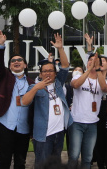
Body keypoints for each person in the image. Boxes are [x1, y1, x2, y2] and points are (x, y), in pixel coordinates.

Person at [22, 33, 72, 167]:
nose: (48, 73)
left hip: (59, 133)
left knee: (55, 164)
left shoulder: (58, 83)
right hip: (43, 135)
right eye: (44, 71)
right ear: (40, 73)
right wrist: (35, 88)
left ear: (55, 73)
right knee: (42, 165)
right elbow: (24, 102)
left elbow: (65, 66)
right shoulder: (34, 86)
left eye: (50, 71)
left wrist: (60, 48)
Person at [0, 31, 34, 169]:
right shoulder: (5, 78)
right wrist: (0, 46)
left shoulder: (32, 83)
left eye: (19, 60)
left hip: (24, 128)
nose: (16, 62)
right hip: (6, 126)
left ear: (25, 65)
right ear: (9, 66)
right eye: (13, 61)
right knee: (4, 161)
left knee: (20, 162)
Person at [68, 53, 107, 169]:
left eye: (95, 60)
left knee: (87, 157)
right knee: (74, 155)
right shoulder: (78, 76)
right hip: (76, 122)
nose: (92, 61)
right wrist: (89, 69)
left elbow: (105, 88)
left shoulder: (102, 81)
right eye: (90, 60)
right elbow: (75, 85)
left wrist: (98, 70)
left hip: (92, 123)